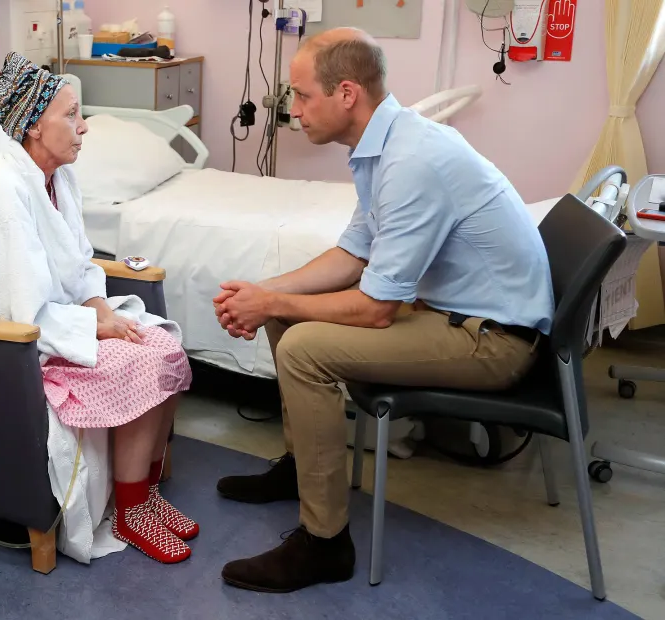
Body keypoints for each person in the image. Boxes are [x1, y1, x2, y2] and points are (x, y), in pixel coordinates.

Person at [212, 28, 554, 592]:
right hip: (460, 316)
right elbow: (352, 253)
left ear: (347, 92)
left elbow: (376, 309)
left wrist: (274, 300)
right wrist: (262, 293)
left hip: (495, 341)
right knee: (285, 315)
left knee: (301, 349)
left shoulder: (413, 160)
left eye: (302, 96)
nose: (293, 111)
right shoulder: (384, 146)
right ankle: (304, 470)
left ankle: (324, 545)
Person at [0, 52, 196, 563]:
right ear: (33, 126)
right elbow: (21, 312)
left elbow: (80, 265)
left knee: (164, 345)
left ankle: (145, 496)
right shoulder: (4, 194)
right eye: (71, 115)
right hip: (31, 342)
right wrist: (94, 326)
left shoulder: (60, 179)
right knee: (140, 362)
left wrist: (101, 308)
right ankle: (131, 511)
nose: (84, 128)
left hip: (71, 317)